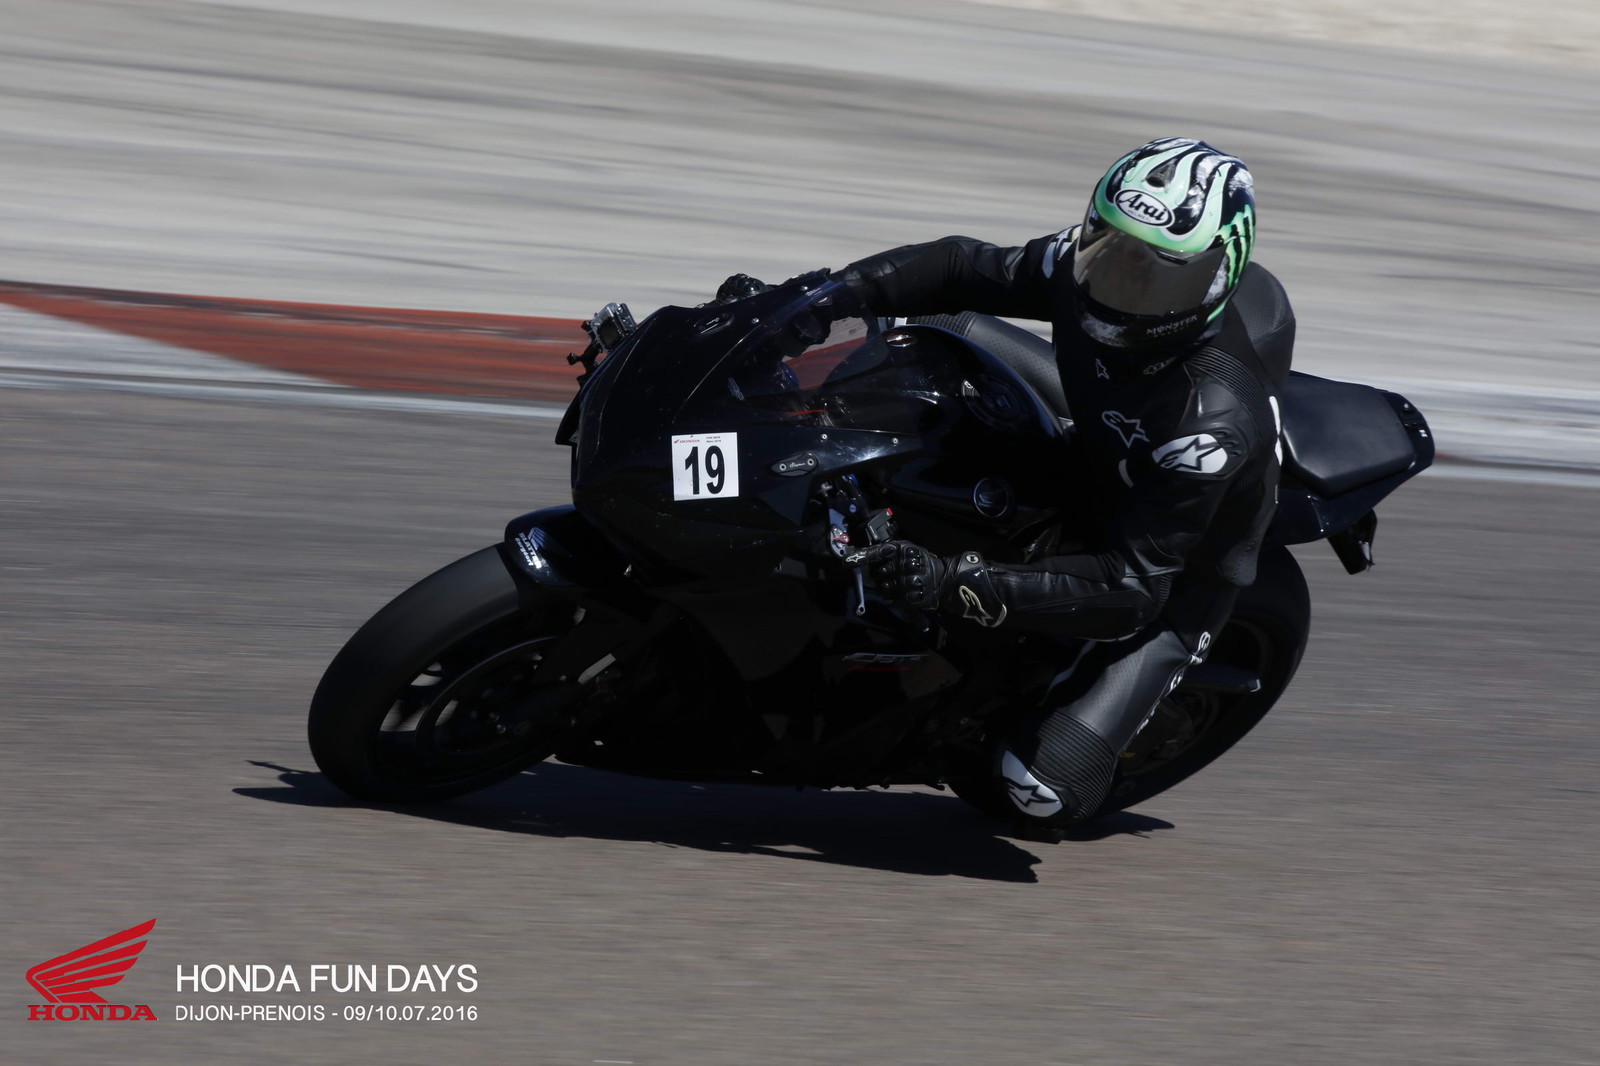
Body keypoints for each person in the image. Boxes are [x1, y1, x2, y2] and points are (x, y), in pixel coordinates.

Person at [837, 137, 1296, 828]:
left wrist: (950, 582)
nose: (1125, 286)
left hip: (1174, 577)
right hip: (1098, 440)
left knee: (1039, 792)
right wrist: (821, 296)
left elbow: (1130, 589)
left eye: (1160, 276)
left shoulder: (1209, 426)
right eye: (1114, 251)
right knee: (924, 328)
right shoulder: (1082, 266)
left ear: (1216, 276)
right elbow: (959, 265)